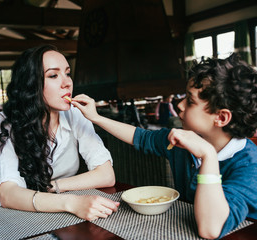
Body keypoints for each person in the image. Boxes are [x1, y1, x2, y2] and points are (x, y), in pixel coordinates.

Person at [71, 54, 257, 239]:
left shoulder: (249, 166)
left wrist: (208, 155)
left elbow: (210, 229)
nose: (180, 104)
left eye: (190, 101)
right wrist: (95, 117)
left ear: (221, 117)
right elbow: (141, 136)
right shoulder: (183, 141)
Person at [0, 45, 119, 221]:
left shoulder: (76, 113)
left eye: (68, 73)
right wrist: (70, 203)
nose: (67, 83)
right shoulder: (7, 121)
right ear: (31, 84)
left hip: (67, 212)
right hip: (24, 215)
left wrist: (53, 187)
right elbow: (7, 193)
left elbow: (106, 175)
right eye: (53, 75)